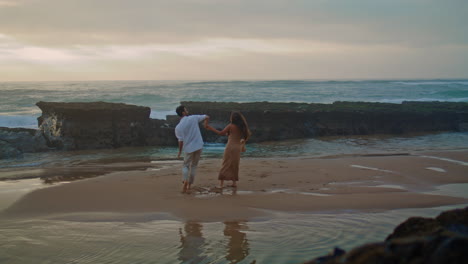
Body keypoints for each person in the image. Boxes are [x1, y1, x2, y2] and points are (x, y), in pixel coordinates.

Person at [205, 111, 251, 188]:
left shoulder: (231, 126)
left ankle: (221, 184)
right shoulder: (243, 127)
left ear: (232, 118)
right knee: (234, 164)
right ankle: (234, 183)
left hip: (230, 147)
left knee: (225, 163)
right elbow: (244, 137)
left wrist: (210, 128)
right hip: (237, 148)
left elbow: (221, 133)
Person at [175, 105, 209, 193]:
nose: (187, 111)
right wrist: (205, 124)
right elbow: (206, 116)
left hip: (188, 148)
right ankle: (189, 185)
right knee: (194, 166)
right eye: (186, 110)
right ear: (183, 112)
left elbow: (180, 141)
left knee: (185, 165)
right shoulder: (193, 118)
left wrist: (179, 151)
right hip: (199, 145)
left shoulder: (178, 127)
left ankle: (185, 180)